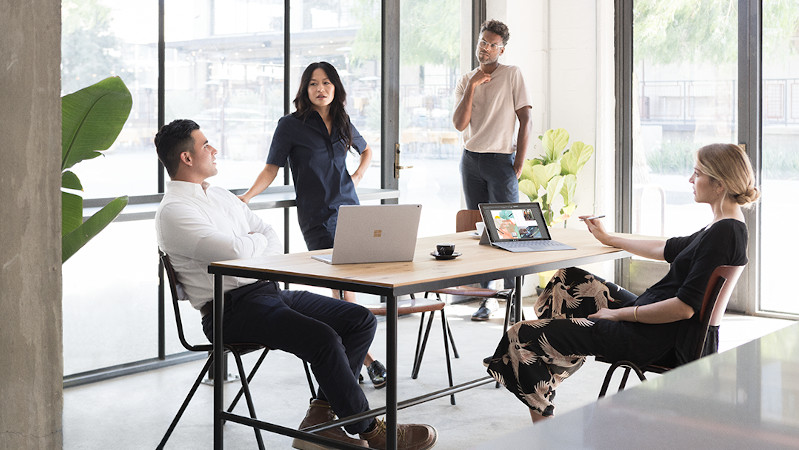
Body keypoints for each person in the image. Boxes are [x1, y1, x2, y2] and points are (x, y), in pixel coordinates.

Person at [154, 119, 437, 449]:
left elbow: (269, 236)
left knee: (359, 319)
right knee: (323, 338)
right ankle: (372, 431)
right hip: (229, 311)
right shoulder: (174, 211)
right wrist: (250, 242)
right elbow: (234, 252)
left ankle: (319, 421)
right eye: (206, 145)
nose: (214, 149)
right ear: (187, 158)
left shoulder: (219, 196)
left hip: (267, 292)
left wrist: (250, 242)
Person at [485, 143, 759, 423]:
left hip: (656, 338)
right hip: (659, 327)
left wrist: (618, 315)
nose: (690, 179)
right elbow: (665, 248)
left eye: (697, 173)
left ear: (719, 184)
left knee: (521, 335)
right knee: (567, 279)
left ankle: (544, 420)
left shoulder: (724, 233)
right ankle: (551, 362)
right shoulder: (724, 226)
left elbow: (683, 308)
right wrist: (608, 238)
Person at [238, 62, 388, 389]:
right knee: (341, 285)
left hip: (350, 210)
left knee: (346, 285)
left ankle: (354, 358)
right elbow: (271, 168)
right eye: (313, 83)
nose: (320, 89)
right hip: (317, 216)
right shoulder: (290, 125)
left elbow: (366, 150)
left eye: (327, 82)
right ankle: (367, 360)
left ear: (336, 87)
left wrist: (358, 176)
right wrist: (247, 196)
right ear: (305, 89)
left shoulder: (343, 120)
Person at [452, 19, 532, 321]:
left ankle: (514, 299)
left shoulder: (512, 74)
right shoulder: (466, 80)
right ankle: (488, 299)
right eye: (482, 42)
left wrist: (519, 162)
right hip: (470, 160)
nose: (485, 48)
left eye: (492, 44)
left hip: (501, 161)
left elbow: (526, 119)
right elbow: (460, 123)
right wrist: (473, 85)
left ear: (502, 49)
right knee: (480, 230)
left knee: (509, 232)